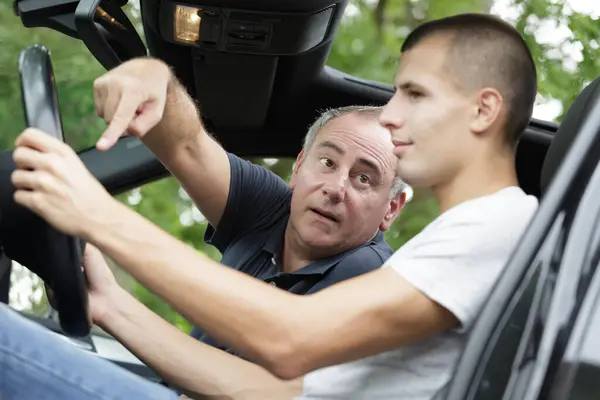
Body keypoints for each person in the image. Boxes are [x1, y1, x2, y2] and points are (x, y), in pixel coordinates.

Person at [0, 11, 539, 400]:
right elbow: (271, 392)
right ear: (300, 164)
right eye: (327, 163)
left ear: (482, 110)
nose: (392, 117)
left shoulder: (495, 228)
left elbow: (289, 339)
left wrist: (95, 213)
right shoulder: (454, 241)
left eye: (415, 95)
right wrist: (111, 306)